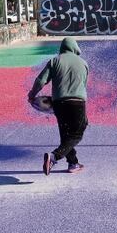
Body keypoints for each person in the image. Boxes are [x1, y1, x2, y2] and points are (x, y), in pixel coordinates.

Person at [28, 37, 89, 175]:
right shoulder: (83, 63)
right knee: (77, 134)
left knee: (65, 132)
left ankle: (73, 163)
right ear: (75, 48)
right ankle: (54, 156)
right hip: (77, 101)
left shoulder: (54, 61)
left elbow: (41, 80)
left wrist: (32, 94)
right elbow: (83, 85)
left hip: (58, 103)